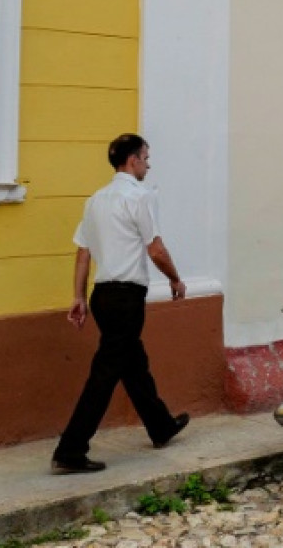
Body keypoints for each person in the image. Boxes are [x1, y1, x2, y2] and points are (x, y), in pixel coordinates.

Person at [51, 133, 190, 473]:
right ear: (132, 160)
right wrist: (175, 277)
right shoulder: (139, 197)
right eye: (145, 157)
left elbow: (82, 253)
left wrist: (79, 297)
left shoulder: (96, 200)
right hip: (126, 296)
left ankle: (160, 425)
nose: (148, 164)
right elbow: (155, 248)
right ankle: (70, 449)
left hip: (102, 296)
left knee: (132, 362)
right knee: (106, 371)